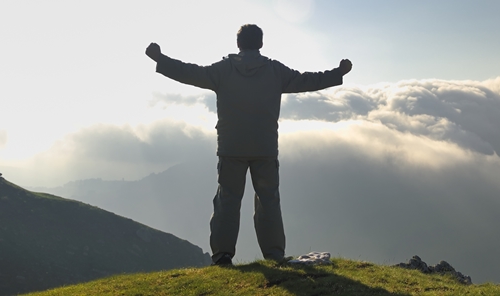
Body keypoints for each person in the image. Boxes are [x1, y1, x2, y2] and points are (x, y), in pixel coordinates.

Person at [145, 24, 351, 266]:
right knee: (269, 200)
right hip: (264, 148)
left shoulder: (224, 70)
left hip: (231, 148)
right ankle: (274, 254)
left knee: (227, 201)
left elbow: (190, 73)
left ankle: (222, 256)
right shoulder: (275, 71)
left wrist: (160, 60)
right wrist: (338, 73)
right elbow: (306, 80)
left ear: (238, 43)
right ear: (260, 44)